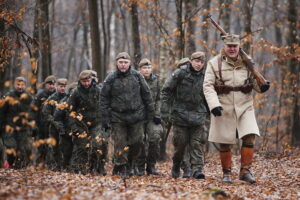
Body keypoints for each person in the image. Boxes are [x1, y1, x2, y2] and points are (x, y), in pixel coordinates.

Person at [203, 34, 269, 184]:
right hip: (223, 105)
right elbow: (207, 86)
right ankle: (226, 173)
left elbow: (254, 81)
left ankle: (245, 171)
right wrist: (213, 105)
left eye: (235, 46)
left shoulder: (247, 62)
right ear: (224, 47)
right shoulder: (214, 63)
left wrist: (263, 86)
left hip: (245, 105)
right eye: (229, 46)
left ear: (239, 47)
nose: (232, 49)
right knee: (225, 140)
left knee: (250, 136)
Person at [100, 52, 155, 177]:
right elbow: (103, 98)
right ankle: (122, 167)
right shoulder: (111, 78)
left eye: (125, 62)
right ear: (117, 63)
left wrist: (150, 114)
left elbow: (147, 95)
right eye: (121, 62)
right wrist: (105, 118)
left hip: (136, 116)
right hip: (117, 117)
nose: (123, 65)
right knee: (120, 143)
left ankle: (129, 163)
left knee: (137, 142)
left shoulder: (137, 76)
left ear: (129, 63)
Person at [161, 51, 209, 179]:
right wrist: (165, 111)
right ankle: (177, 163)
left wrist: (211, 111)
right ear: (191, 61)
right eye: (196, 61)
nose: (199, 64)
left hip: (198, 114)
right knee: (180, 144)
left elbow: (209, 94)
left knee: (196, 143)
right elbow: (166, 91)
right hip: (180, 115)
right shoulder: (180, 73)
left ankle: (197, 170)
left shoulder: (207, 75)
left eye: (201, 62)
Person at [67, 70, 108, 175]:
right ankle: (79, 168)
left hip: (96, 122)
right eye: (84, 81)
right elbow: (70, 111)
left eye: (88, 80)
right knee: (82, 145)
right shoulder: (75, 92)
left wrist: (106, 122)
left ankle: (96, 166)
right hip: (81, 124)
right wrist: (74, 127)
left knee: (97, 144)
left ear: (91, 80)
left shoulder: (98, 90)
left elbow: (105, 106)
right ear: (80, 81)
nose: (86, 83)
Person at [136, 58, 163, 175]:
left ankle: (151, 165)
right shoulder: (135, 80)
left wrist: (157, 114)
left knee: (155, 137)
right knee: (139, 139)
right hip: (138, 116)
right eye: (144, 68)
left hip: (152, 116)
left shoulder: (156, 81)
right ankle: (140, 166)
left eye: (148, 68)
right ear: (140, 69)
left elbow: (159, 99)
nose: (147, 70)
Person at [0, 77, 34, 168]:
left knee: (25, 150)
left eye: (22, 85)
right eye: (18, 85)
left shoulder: (29, 98)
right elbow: (2, 112)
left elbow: (32, 114)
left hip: (24, 129)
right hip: (10, 128)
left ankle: (20, 168)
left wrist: (33, 127)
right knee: (11, 148)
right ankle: (10, 166)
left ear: (25, 86)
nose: (20, 87)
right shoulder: (8, 96)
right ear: (14, 85)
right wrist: (2, 127)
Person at [42, 78, 68, 169]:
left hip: (65, 125)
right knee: (54, 146)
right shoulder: (52, 98)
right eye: (61, 86)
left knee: (64, 146)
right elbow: (46, 113)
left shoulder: (68, 97)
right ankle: (53, 165)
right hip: (53, 127)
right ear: (57, 86)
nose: (62, 88)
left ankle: (64, 165)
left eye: (64, 86)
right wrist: (54, 122)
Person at [31, 75, 56, 164]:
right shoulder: (40, 95)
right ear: (46, 85)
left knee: (52, 147)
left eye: (53, 84)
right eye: (49, 84)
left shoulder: (57, 94)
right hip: (41, 125)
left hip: (52, 125)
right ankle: (40, 165)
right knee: (41, 147)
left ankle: (51, 165)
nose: (51, 86)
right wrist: (34, 125)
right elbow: (33, 111)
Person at [53, 82, 77, 170]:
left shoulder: (81, 101)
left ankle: (75, 169)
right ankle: (66, 168)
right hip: (66, 132)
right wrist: (61, 130)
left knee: (78, 152)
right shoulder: (64, 102)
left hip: (78, 131)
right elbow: (57, 117)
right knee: (67, 152)